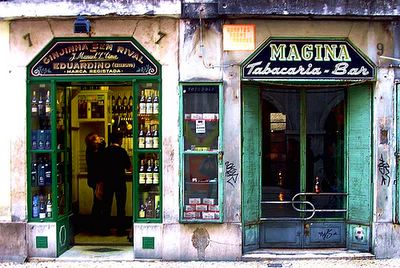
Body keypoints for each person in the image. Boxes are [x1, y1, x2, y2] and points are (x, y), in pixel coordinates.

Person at [103, 132, 131, 236]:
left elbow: (101, 167)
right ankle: (121, 230)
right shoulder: (122, 152)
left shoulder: (105, 151)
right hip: (119, 181)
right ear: (119, 140)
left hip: (107, 182)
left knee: (106, 206)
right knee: (121, 206)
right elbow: (129, 167)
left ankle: (105, 230)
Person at [85, 132, 107, 234]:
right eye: (98, 138)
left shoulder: (90, 151)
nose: (100, 139)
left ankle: (94, 225)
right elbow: (101, 159)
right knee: (99, 203)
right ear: (94, 141)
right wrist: (103, 143)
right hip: (98, 180)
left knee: (98, 202)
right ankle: (97, 226)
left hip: (95, 180)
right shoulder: (95, 151)